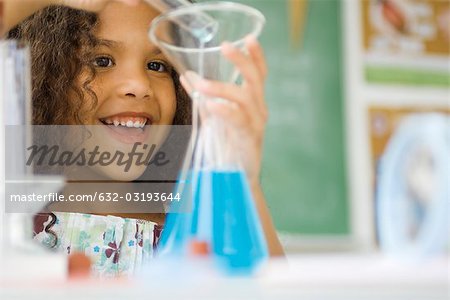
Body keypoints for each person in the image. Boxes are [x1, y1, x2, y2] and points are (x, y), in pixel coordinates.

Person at [2, 0, 284, 277]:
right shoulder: (12, 221)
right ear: (43, 76)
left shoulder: (198, 230)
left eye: (158, 65)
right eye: (102, 60)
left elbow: (272, 288)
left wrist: (241, 180)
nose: (138, 86)